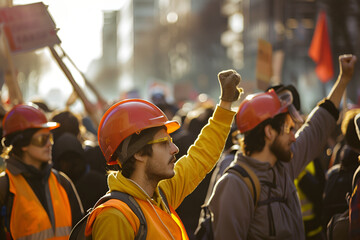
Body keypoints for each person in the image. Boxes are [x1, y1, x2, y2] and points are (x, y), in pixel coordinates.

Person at [208, 54, 357, 239]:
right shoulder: (234, 185)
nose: (294, 137)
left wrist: (343, 79)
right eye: (288, 128)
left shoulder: (283, 165)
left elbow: (317, 127)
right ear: (269, 132)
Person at [83, 69, 241, 239]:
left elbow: (201, 156)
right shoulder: (115, 216)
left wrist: (225, 103)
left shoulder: (160, 194)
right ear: (139, 153)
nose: (175, 149)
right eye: (164, 143)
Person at [0, 103, 84, 239]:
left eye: (50, 137)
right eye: (42, 139)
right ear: (22, 144)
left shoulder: (63, 182)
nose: (49, 143)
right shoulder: (4, 189)